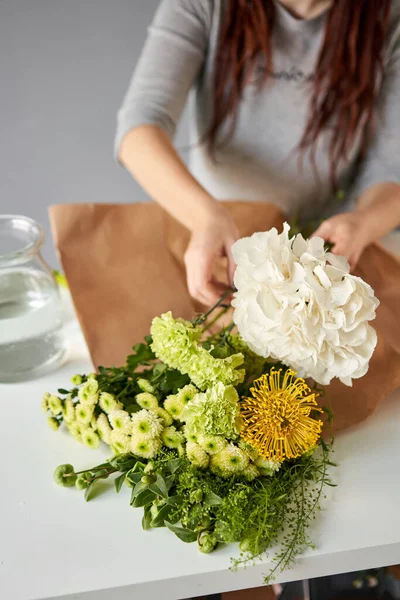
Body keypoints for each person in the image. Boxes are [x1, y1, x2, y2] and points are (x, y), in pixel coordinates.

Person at [115, 0, 400, 308]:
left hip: (325, 254)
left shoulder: (390, 17)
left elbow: (389, 168)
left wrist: (364, 223)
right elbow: (140, 129)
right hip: (215, 241)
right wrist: (206, 217)